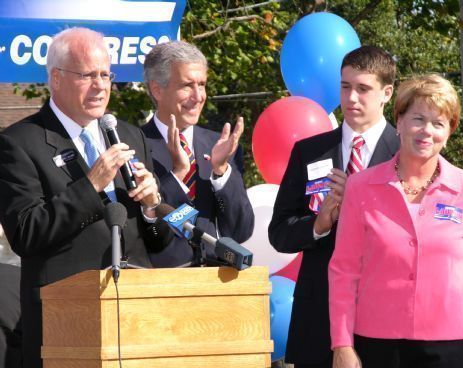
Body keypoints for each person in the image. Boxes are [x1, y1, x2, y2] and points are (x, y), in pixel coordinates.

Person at [0, 27, 173, 368]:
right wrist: (90, 185)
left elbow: (156, 242)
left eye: (106, 75)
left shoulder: (128, 135)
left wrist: (153, 207)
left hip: (135, 319)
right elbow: (26, 232)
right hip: (64, 323)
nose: (101, 86)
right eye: (88, 75)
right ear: (57, 78)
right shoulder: (19, 143)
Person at [329, 74, 463, 368]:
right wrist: (342, 344)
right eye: (417, 119)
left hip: (454, 347)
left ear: (449, 131)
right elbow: (344, 271)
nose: (426, 131)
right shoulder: (360, 187)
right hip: (377, 345)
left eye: (438, 123)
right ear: (399, 122)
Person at [268, 45, 399, 367]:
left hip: (385, 318)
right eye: (345, 86)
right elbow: (280, 233)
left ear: (387, 93)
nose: (351, 98)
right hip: (319, 319)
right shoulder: (309, 151)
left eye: (363, 89)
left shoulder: (405, 154)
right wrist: (318, 225)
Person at [141, 41, 254, 267]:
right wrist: (178, 175)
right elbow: (146, 233)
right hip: (159, 285)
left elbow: (241, 230)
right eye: (187, 85)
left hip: (215, 283)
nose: (198, 96)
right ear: (157, 89)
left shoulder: (219, 145)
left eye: (201, 84)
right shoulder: (134, 145)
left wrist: (221, 173)